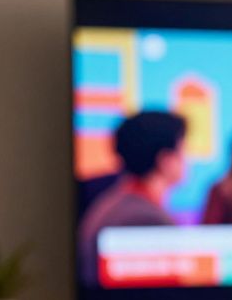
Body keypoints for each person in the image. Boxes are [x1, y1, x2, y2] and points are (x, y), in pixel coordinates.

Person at [78, 111, 187, 285]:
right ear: (165, 160)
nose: (189, 160)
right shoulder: (144, 219)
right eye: (183, 150)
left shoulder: (120, 201)